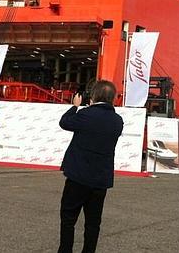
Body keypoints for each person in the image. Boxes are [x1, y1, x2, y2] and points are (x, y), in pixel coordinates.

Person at [57, 80, 123, 253]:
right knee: (93, 223)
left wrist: (75, 106)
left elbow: (65, 122)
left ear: (94, 95)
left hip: (78, 176)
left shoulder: (86, 114)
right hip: (100, 179)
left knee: (68, 218)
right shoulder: (117, 120)